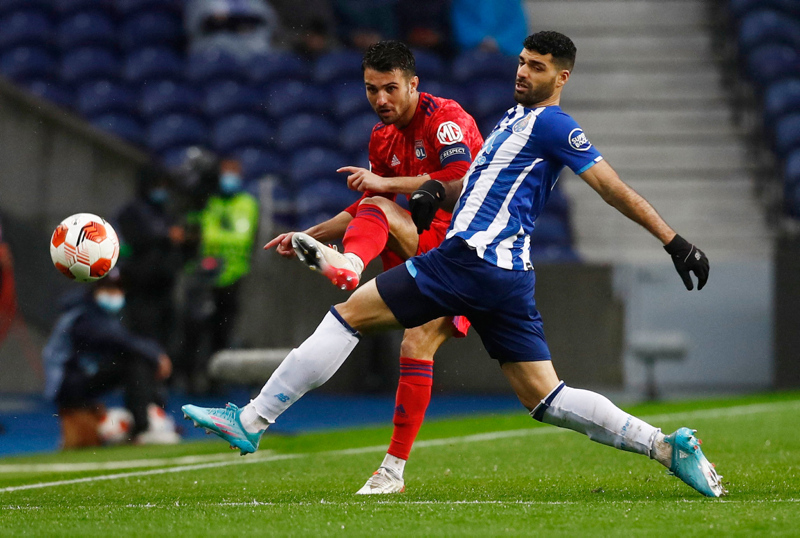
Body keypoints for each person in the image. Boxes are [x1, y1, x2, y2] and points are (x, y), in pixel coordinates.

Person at [183, 31, 725, 498]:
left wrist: (673, 241)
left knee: (349, 314)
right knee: (548, 398)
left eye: (536, 68)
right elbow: (469, 184)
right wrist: (431, 194)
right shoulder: (512, 122)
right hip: (507, 278)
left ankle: (252, 420)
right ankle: (665, 448)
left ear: (561, 77)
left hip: (469, 260)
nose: (522, 72)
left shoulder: (553, 126)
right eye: (520, 62)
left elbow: (611, 188)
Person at [263, 40, 483, 494]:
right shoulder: (382, 137)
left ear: (413, 84)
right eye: (370, 90)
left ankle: (350, 264)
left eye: (390, 88)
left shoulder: (446, 120)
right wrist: (309, 235)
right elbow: (366, 204)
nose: (380, 100)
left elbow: (457, 182)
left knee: (539, 394)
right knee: (414, 345)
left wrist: (383, 185)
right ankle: (391, 473)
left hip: (469, 250)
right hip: (426, 247)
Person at [42, 269, 179, 447]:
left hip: (85, 373)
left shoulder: (103, 313)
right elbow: (115, 338)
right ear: (96, 289)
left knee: (137, 361)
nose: (114, 294)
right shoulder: (82, 314)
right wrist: (156, 355)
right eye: (108, 288)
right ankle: (143, 428)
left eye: (118, 288)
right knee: (136, 360)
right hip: (67, 383)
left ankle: (149, 416)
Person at [115, 164, 185, 351]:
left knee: (166, 342)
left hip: (163, 290)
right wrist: (165, 237)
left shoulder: (165, 213)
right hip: (139, 290)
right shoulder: (131, 212)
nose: (161, 190)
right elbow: (134, 240)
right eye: (157, 185)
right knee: (141, 343)